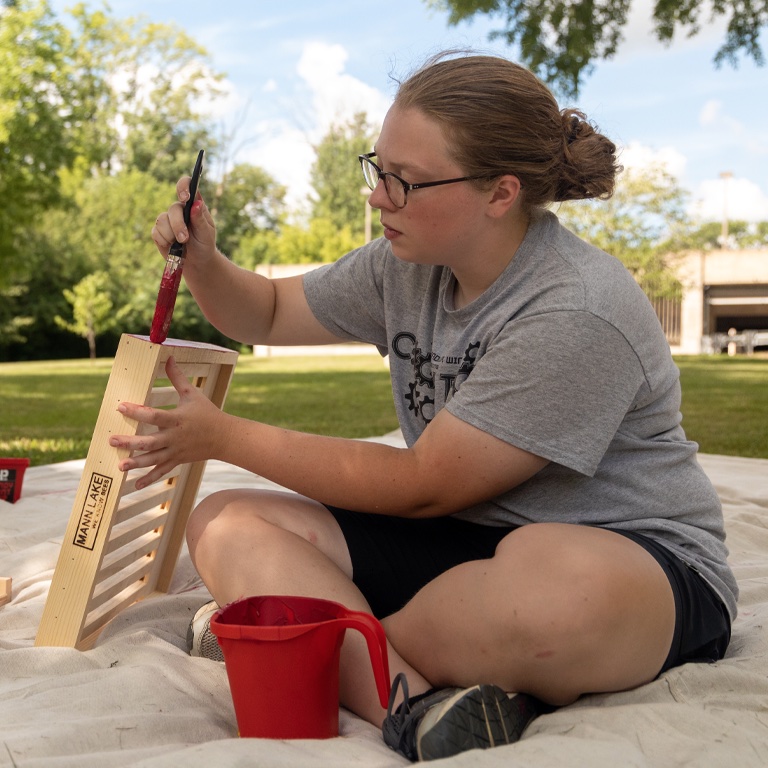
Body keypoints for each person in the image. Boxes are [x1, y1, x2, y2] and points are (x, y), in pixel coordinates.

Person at [111, 52, 737, 762]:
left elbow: (422, 485)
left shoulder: (576, 305)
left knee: (557, 593)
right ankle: (414, 703)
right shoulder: (403, 264)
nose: (378, 197)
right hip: (461, 536)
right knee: (227, 524)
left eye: (404, 181)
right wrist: (206, 265)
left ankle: (302, 636)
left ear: (500, 194)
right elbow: (269, 310)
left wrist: (224, 437)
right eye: (378, 169)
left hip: (628, 558)